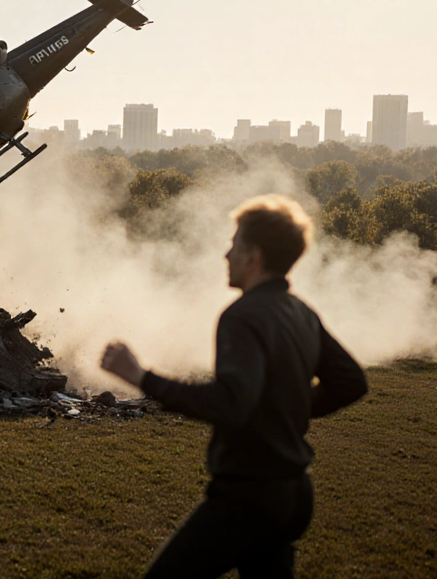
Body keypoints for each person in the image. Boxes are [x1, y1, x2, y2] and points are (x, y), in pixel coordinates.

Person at [101, 194, 368, 578]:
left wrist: (142, 377)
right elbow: (351, 383)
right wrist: (285, 407)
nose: (226, 255)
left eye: (233, 245)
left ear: (253, 256)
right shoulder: (301, 311)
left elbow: (230, 404)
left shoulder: (242, 316)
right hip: (293, 495)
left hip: (249, 498)